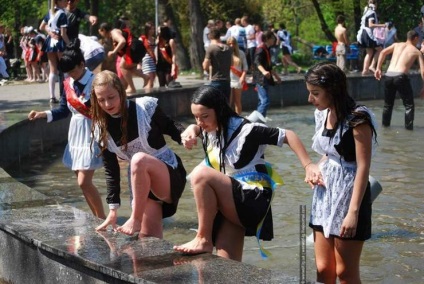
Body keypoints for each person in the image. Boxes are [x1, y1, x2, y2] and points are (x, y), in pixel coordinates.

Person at [173, 85, 317, 261]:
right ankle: (207, 243)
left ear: (219, 110)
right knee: (226, 266)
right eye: (195, 117)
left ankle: (203, 238)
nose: (200, 122)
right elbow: (197, 128)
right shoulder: (210, 128)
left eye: (204, 117)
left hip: (252, 199)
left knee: (200, 174)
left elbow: (288, 135)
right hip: (231, 197)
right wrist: (191, 130)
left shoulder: (247, 131)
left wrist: (308, 165)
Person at [305, 62, 378, 283]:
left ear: (334, 90)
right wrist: (315, 167)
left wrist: (353, 212)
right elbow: (329, 153)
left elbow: (363, 166)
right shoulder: (323, 115)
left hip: (350, 196)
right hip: (325, 195)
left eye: (315, 93)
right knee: (323, 267)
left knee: (344, 272)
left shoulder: (358, 118)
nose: (311, 99)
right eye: (310, 93)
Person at [91, 70, 187, 238]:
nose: (107, 104)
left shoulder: (145, 107)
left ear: (121, 91)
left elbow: (171, 127)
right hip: (141, 185)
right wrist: (113, 210)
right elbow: (111, 171)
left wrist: (186, 137)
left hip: (168, 173)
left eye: (111, 97)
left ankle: (135, 218)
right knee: (148, 242)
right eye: (101, 100)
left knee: (138, 159)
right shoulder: (101, 129)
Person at [27, 39, 106, 219]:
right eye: (67, 72)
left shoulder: (97, 82)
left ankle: (102, 219)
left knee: (84, 182)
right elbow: (63, 110)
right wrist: (43, 114)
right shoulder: (67, 82)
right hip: (75, 134)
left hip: (93, 132)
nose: (70, 75)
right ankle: (97, 218)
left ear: (82, 64)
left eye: (73, 70)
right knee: (82, 182)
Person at [375, 30, 424, 130]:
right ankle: (409, 130)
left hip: (388, 75)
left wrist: (378, 68)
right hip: (400, 76)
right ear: (415, 38)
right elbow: (423, 71)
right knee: (409, 105)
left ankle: (385, 127)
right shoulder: (416, 51)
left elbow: (383, 52)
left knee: (387, 105)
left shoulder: (396, 45)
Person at [98, 18, 146, 95]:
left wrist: (114, 52)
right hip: (138, 48)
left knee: (122, 66)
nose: (101, 34)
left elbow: (122, 41)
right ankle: (145, 77)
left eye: (100, 32)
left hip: (134, 47)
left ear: (103, 30)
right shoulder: (113, 35)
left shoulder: (114, 32)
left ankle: (132, 88)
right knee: (130, 68)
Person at [40, 0, 70, 103]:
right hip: (59, 42)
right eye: (64, 0)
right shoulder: (62, 14)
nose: (66, 2)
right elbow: (63, 34)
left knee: (53, 70)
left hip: (49, 42)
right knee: (65, 69)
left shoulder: (49, 12)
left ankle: (52, 96)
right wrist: (70, 45)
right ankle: (67, 95)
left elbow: (42, 26)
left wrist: (50, 32)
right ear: (58, 2)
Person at [253, 30, 282, 118]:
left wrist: (277, 77)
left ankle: (260, 120)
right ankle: (256, 121)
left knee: (262, 101)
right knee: (265, 101)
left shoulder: (267, 49)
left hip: (265, 78)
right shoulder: (261, 49)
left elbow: (269, 66)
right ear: (267, 39)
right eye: (273, 38)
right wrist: (264, 71)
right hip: (260, 78)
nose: (274, 39)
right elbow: (257, 62)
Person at [356, 0, 386, 75]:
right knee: (380, 50)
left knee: (369, 52)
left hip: (362, 33)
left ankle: (365, 70)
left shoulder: (366, 11)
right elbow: (370, 25)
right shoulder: (371, 12)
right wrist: (382, 25)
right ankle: (372, 66)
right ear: (375, 4)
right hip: (367, 33)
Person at [203, 28, 232, 100]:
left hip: (216, 80)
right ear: (219, 36)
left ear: (210, 37)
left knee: (215, 106)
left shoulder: (211, 48)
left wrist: (207, 68)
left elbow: (205, 66)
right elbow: (231, 63)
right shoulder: (228, 48)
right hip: (227, 81)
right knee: (225, 105)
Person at [227, 36, 248, 115]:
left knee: (237, 102)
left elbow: (245, 67)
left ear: (236, 44)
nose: (231, 45)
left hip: (237, 80)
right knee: (229, 102)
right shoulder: (226, 53)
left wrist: (243, 76)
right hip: (229, 80)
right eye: (229, 44)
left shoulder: (241, 53)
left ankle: (238, 118)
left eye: (233, 43)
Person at [139, 21, 157, 89]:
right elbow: (139, 51)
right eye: (150, 29)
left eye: (153, 29)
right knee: (149, 81)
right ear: (147, 29)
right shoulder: (142, 38)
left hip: (153, 60)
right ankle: (146, 96)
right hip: (146, 60)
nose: (152, 30)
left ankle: (144, 95)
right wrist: (139, 63)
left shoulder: (154, 39)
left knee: (150, 82)